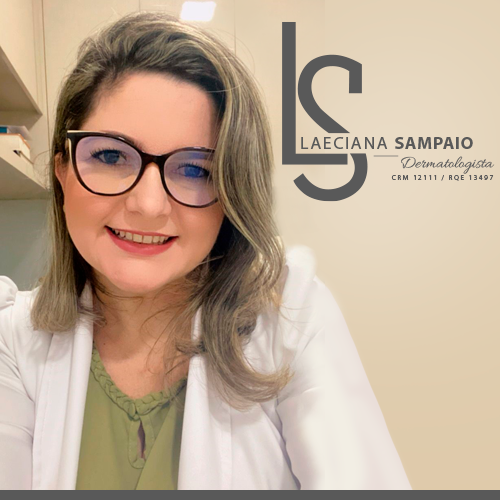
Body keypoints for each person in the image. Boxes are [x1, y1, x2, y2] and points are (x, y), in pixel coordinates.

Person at [0, 11, 412, 490]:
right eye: (110, 156)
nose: (148, 205)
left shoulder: (290, 317)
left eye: (196, 170)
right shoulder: (13, 341)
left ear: (233, 193)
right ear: (62, 169)